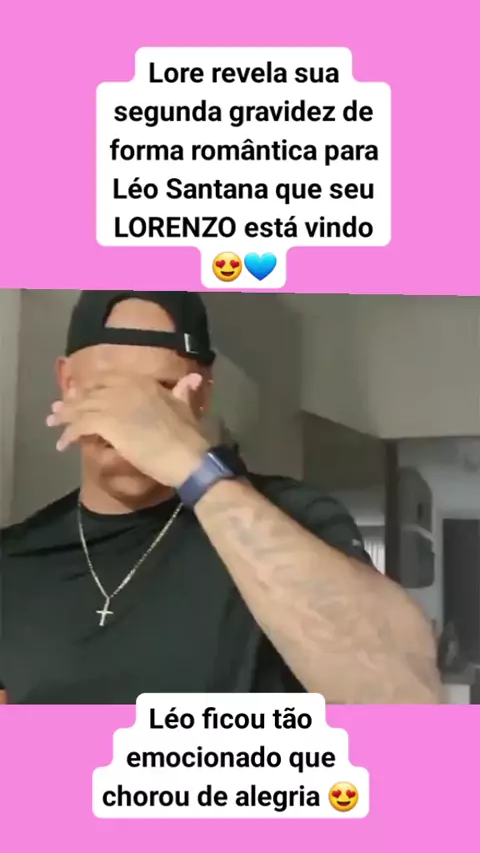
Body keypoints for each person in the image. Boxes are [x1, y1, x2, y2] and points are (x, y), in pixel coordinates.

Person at [0, 292, 441, 705]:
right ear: (67, 383)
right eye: (109, 393)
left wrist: (195, 469)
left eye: (161, 393)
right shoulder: (12, 559)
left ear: (202, 395)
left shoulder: (294, 514)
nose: (133, 424)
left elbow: (404, 698)